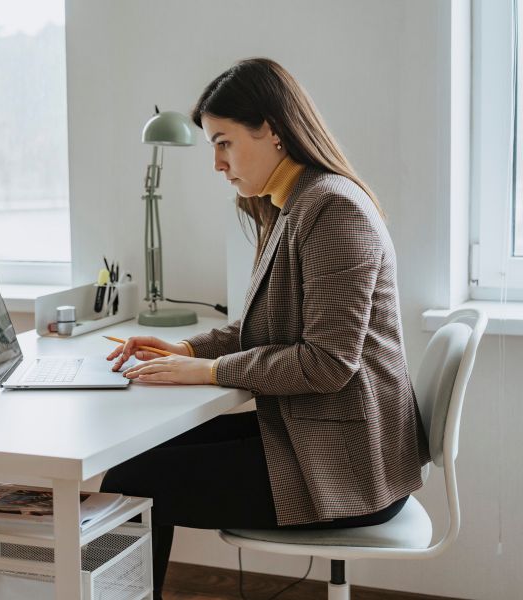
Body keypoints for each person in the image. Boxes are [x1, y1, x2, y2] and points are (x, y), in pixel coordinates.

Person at [102, 58, 431, 599]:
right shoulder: (290, 206)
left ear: (273, 131)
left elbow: (326, 364)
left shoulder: (331, 209)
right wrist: (184, 348)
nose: (216, 163)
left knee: (130, 483)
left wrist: (208, 371)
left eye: (224, 142)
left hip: (349, 463)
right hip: (316, 434)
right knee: (134, 462)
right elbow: (265, 326)